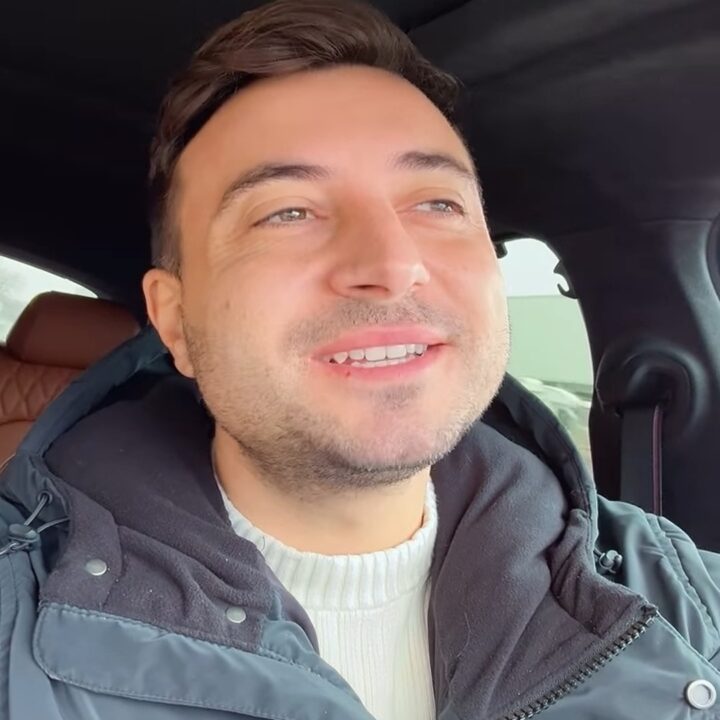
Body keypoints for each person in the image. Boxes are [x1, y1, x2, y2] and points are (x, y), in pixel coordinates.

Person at [1, 1, 720, 718]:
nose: (392, 264)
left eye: (436, 204)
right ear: (175, 323)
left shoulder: (687, 603)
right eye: (287, 212)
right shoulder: (16, 626)